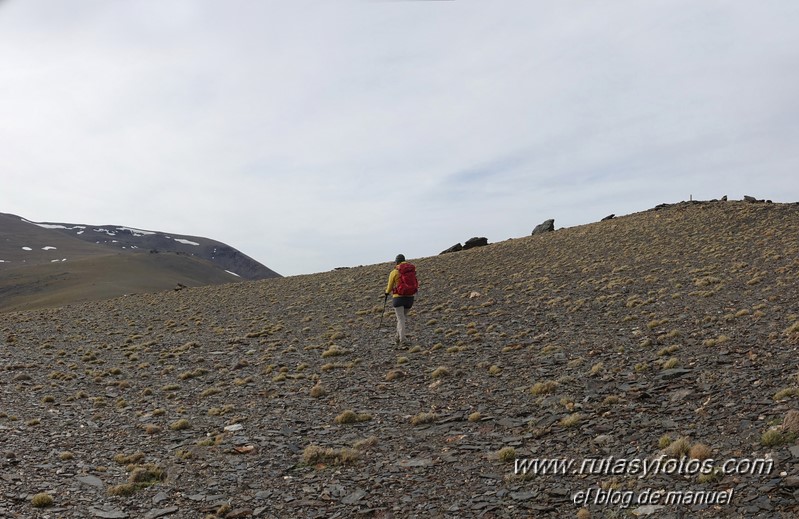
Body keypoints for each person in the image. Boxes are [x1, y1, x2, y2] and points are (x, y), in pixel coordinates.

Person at [384, 254, 417, 346]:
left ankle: (402, 339)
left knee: (400, 319)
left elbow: (390, 286)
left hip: (398, 298)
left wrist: (386, 292)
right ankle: (397, 337)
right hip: (410, 298)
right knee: (402, 318)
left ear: (397, 261)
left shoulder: (394, 272)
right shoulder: (411, 270)